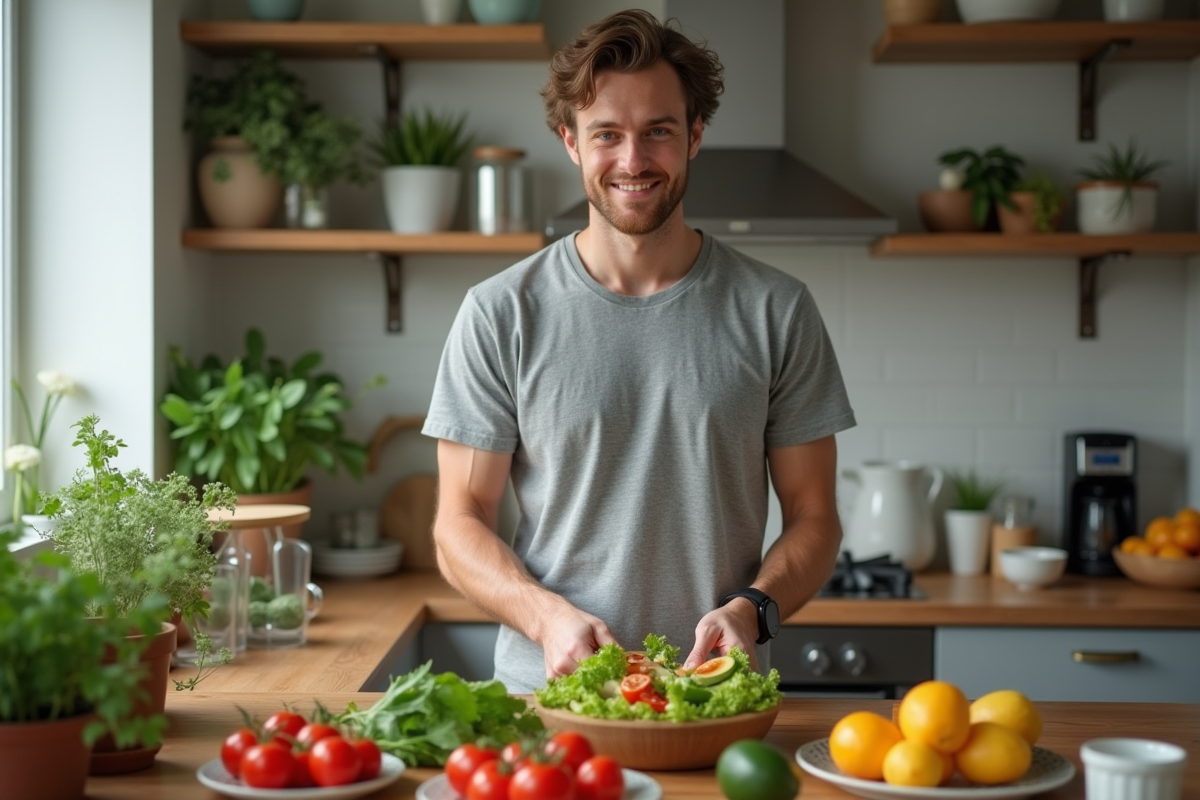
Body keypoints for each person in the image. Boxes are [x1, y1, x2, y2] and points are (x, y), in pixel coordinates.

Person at [422, 9, 855, 694]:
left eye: (658, 131)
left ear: (695, 136)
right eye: (607, 135)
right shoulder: (501, 313)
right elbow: (458, 523)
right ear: (570, 141)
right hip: (549, 697)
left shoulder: (777, 310)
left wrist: (755, 611)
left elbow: (814, 515)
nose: (633, 160)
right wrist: (545, 618)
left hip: (714, 694)